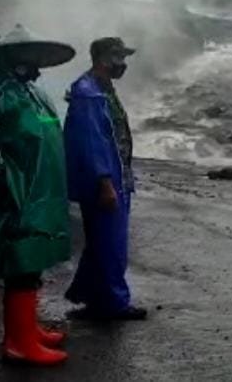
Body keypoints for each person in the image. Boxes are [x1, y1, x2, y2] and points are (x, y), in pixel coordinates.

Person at [0, 24, 76, 366]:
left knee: (32, 261)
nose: (33, 62)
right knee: (19, 263)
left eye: (36, 56)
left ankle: (28, 329)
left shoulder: (30, 91)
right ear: (6, 56)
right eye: (26, 54)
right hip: (16, 193)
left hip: (40, 192)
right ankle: (18, 343)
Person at [63, 37, 147, 320]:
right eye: (118, 58)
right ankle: (115, 304)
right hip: (105, 182)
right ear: (102, 59)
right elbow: (92, 143)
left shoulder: (102, 88)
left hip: (116, 176)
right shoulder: (89, 93)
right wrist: (105, 182)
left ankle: (91, 297)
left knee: (101, 242)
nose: (123, 64)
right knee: (112, 244)